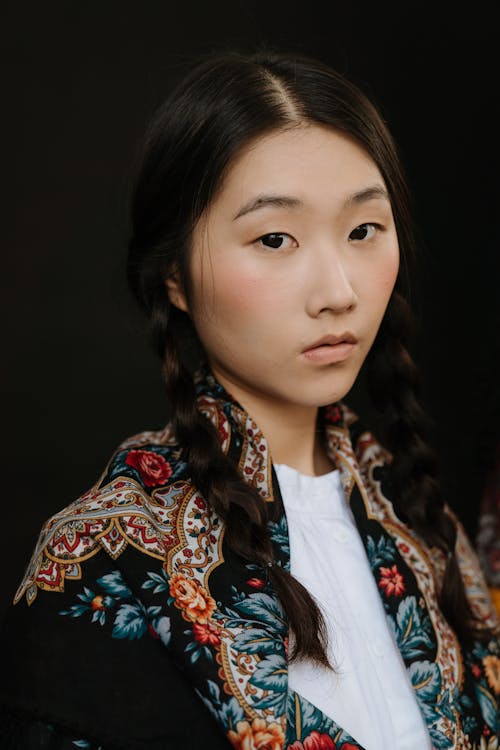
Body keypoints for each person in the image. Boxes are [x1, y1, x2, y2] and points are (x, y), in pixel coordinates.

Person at [1, 48, 498, 750]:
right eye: (274, 238)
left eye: (363, 231)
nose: (338, 292)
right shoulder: (99, 559)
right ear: (174, 275)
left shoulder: (419, 519)